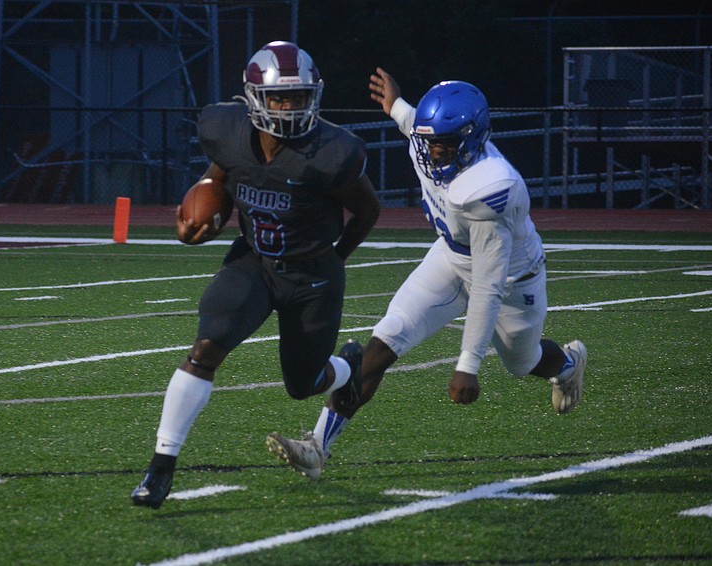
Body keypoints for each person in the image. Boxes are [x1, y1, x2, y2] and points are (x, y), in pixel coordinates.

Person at [266, 67, 587, 481]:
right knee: (385, 339)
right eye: (431, 142)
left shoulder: (491, 187)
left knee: (523, 362)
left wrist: (468, 365)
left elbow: (488, 286)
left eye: (446, 144)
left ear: (473, 137)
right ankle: (317, 446)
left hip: (510, 280)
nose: (435, 152)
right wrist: (396, 104)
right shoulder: (426, 138)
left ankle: (566, 365)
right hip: (451, 257)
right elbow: (412, 123)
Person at [130, 41, 380, 509]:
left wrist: (334, 260)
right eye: (280, 98)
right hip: (255, 262)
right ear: (253, 99)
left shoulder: (330, 151)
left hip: (312, 276)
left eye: (299, 97)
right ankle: (161, 468)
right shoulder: (228, 130)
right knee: (206, 347)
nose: (289, 107)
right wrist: (201, 213)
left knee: (301, 384)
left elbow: (368, 211)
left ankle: (347, 369)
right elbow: (218, 177)